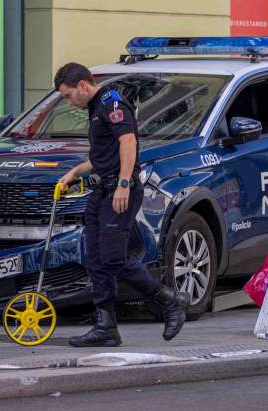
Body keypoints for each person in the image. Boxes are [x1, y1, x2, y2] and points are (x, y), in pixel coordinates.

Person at [56, 62, 189, 347]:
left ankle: (170, 300)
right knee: (96, 259)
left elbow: (128, 142)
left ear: (82, 86)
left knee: (114, 258)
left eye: (68, 95)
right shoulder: (95, 109)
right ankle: (105, 326)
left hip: (119, 191)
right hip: (102, 191)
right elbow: (105, 155)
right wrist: (76, 172)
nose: (68, 102)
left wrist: (124, 184)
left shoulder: (111, 102)